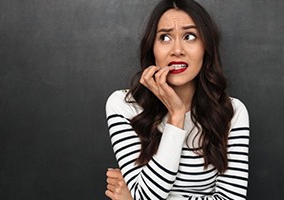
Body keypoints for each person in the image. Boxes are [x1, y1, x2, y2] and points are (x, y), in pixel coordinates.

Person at [105, 0, 250, 199]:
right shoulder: (124, 105)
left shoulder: (232, 112)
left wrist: (134, 197)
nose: (177, 50)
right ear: (152, 48)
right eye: (164, 37)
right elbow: (148, 196)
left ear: (205, 47)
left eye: (189, 36)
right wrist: (177, 116)